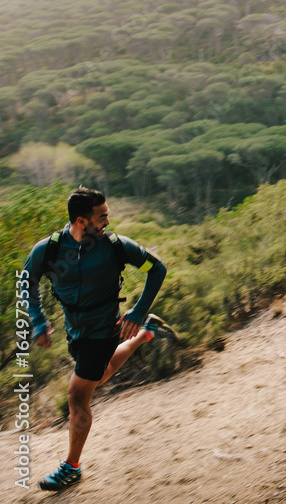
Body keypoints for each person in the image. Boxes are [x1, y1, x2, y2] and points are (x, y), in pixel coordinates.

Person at [24, 187, 177, 491]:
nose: (108, 220)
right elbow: (28, 281)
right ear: (81, 221)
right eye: (102, 216)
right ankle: (145, 333)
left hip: (105, 327)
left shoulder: (116, 246)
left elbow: (156, 268)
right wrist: (38, 321)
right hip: (75, 332)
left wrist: (137, 309)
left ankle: (71, 466)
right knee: (102, 373)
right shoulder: (50, 250)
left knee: (77, 396)